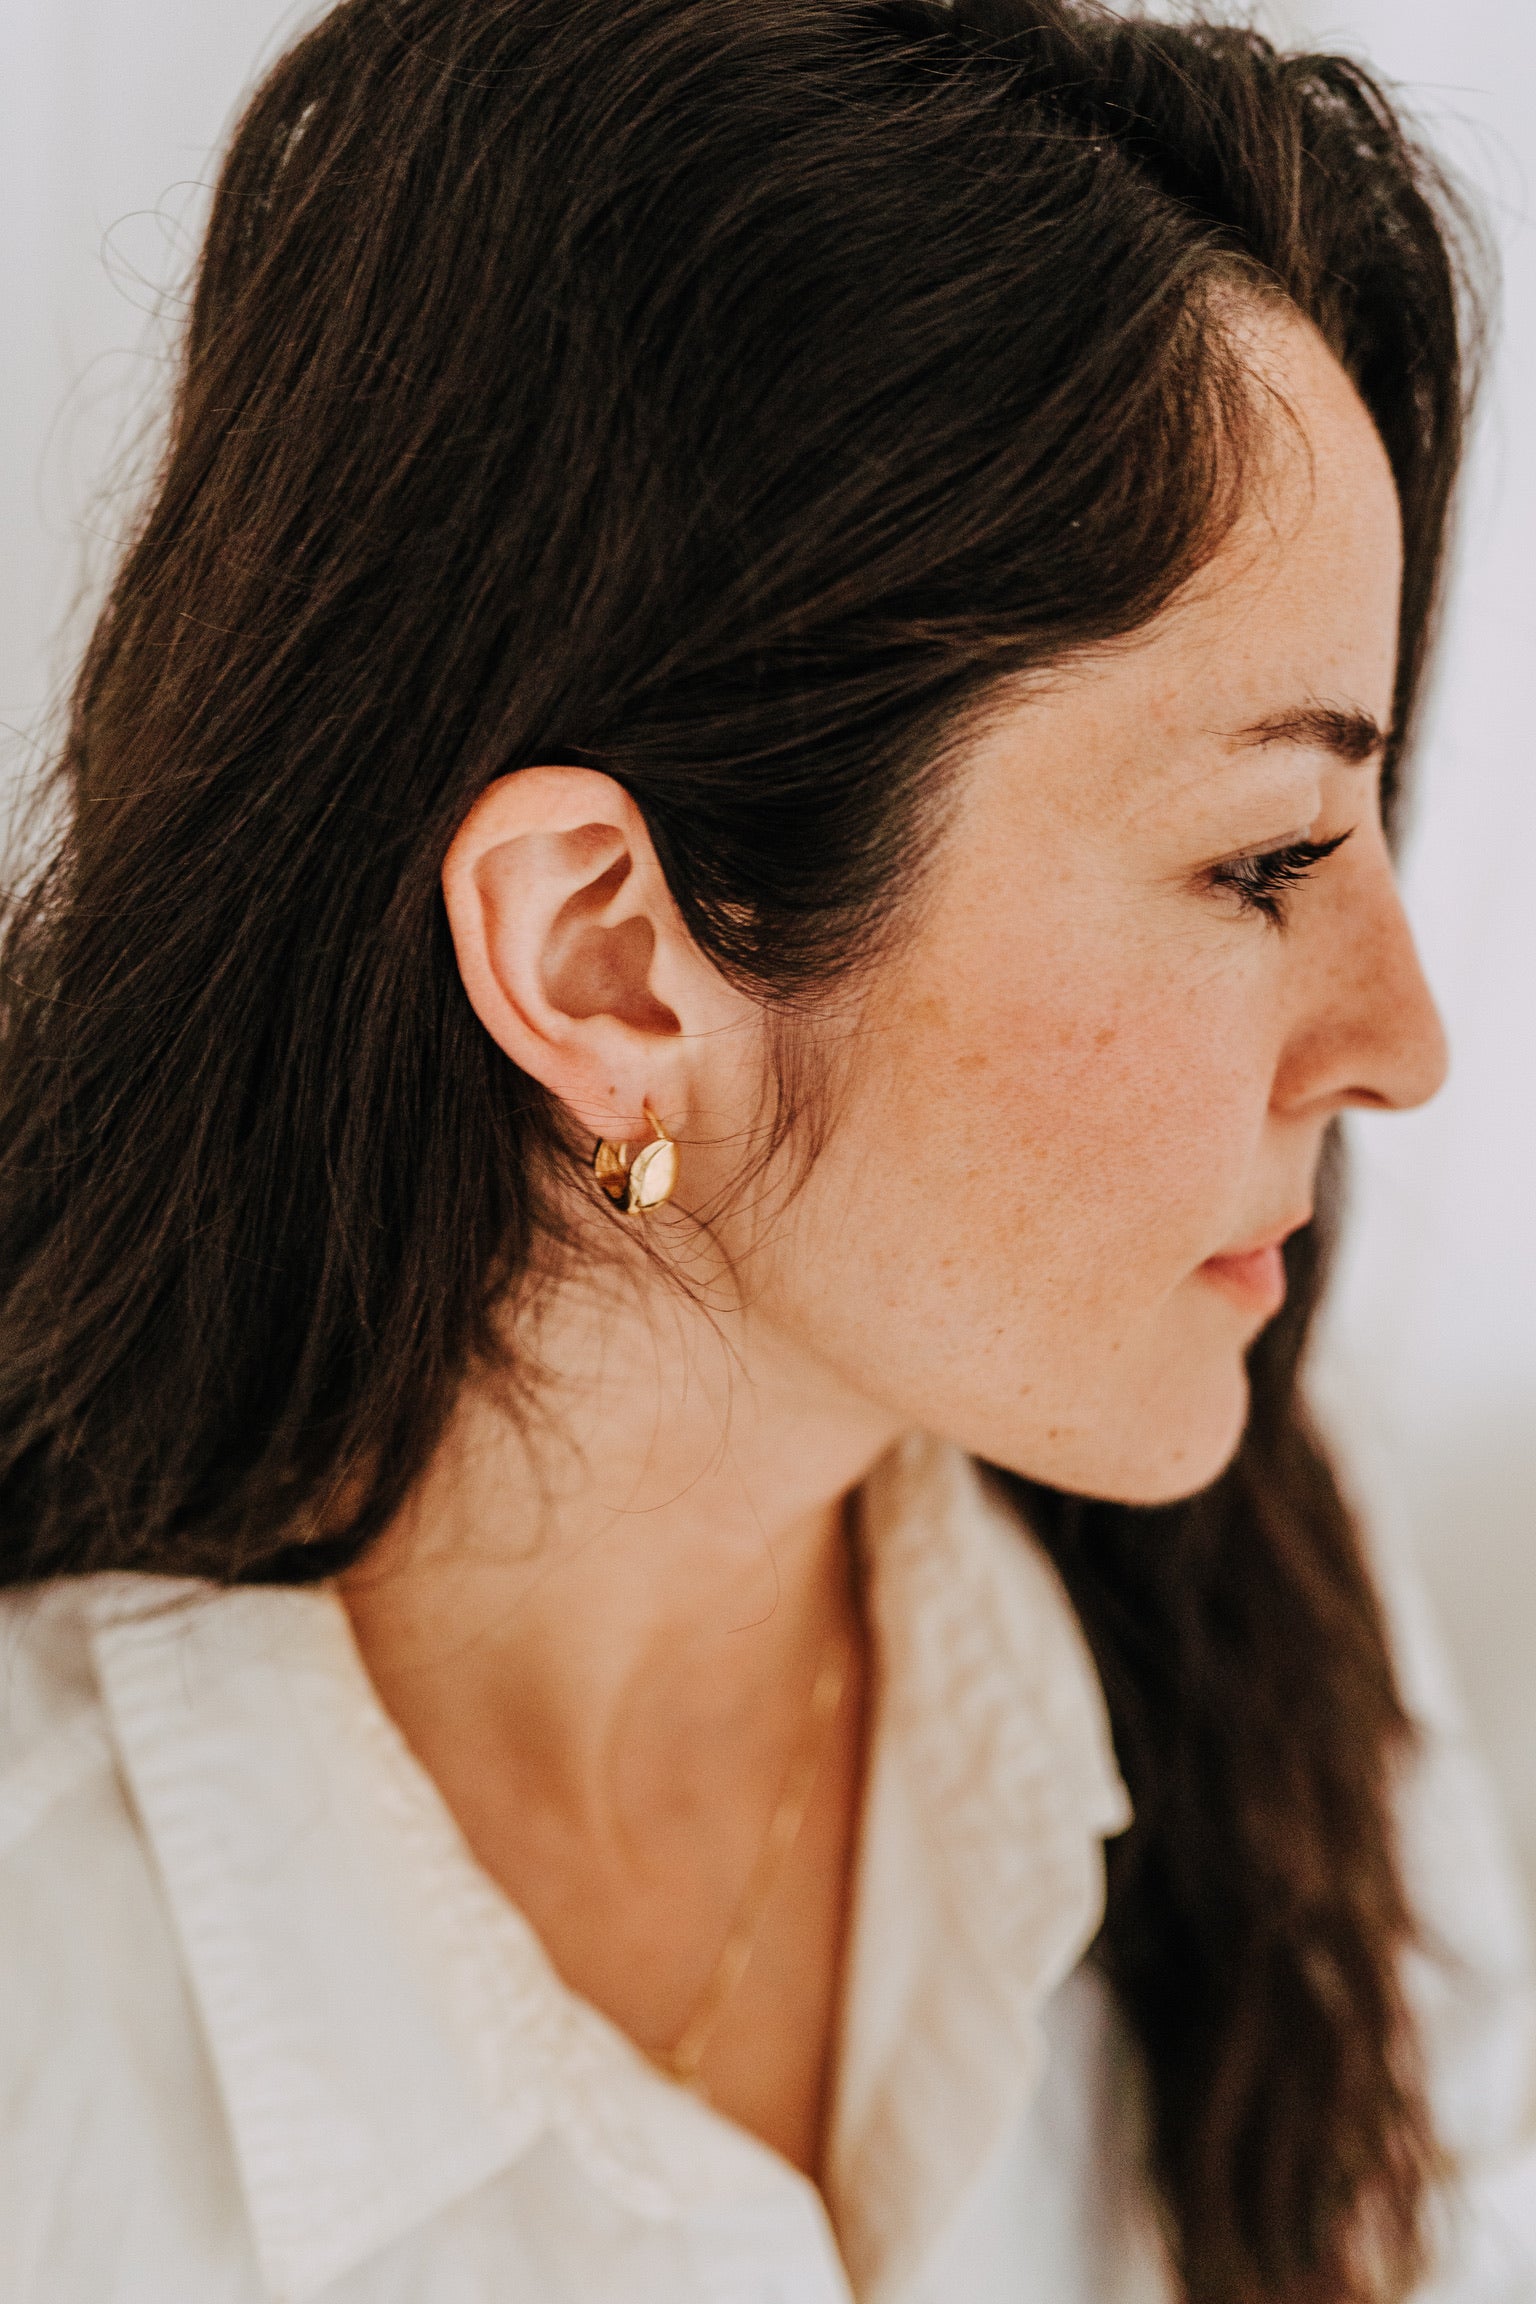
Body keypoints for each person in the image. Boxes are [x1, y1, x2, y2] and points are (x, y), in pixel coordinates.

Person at [0, 0, 1532, 2297]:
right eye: (1263, 860)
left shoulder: (1267, 1651)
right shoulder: (52, 2026)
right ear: (610, 962)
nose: (1403, 1046)